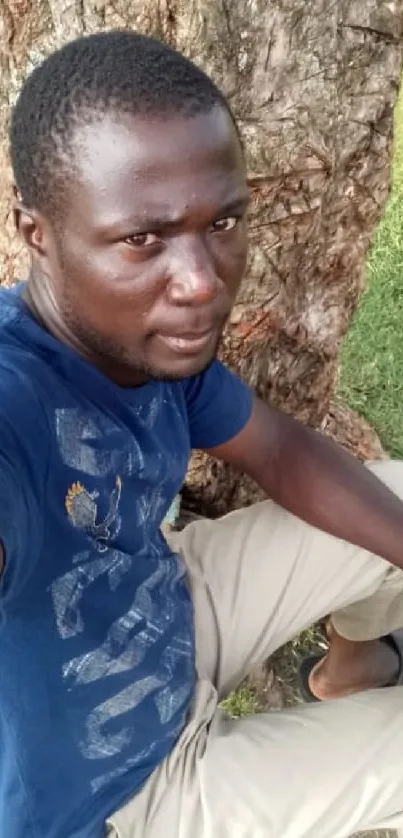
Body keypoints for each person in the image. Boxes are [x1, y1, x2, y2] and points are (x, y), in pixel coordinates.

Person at [2, 29, 403, 838]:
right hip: (111, 791)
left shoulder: (140, 341)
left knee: (392, 495)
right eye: (140, 239)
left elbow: (279, 450)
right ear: (36, 231)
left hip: (160, 606)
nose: (200, 283)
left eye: (221, 222)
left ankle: (352, 670)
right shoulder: (17, 392)